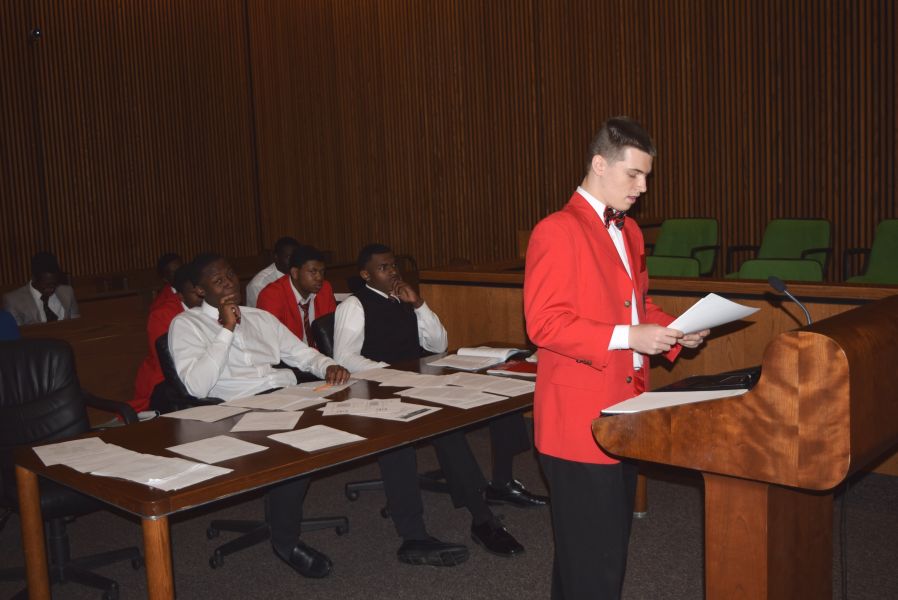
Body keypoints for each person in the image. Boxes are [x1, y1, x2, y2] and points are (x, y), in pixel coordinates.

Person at [169, 253, 468, 577]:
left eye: (230, 275)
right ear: (200, 291)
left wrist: (328, 365)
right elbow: (197, 386)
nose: (229, 284)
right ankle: (286, 542)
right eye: (218, 280)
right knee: (297, 449)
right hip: (238, 410)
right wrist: (226, 330)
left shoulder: (259, 318)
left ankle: (414, 538)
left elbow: (301, 353)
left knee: (391, 426)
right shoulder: (186, 325)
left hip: (289, 397)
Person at [523, 117, 709, 600]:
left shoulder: (630, 232)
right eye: (634, 174)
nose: (643, 187)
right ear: (599, 164)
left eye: (646, 176)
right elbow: (544, 324)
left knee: (593, 557)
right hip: (577, 423)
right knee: (595, 564)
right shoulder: (556, 231)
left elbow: (637, 305)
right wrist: (629, 336)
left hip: (624, 413)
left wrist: (677, 330)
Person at [334, 243, 534, 558]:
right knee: (403, 443)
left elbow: (439, 344)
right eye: (384, 267)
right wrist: (393, 373)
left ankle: (490, 504)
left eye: (394, 265)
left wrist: (419, 305)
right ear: (365, 275)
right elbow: (345, 357)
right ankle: (416, 535)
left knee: (465, 417)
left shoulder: (403, 299)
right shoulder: (354, 305)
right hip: (377, 391)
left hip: (416, 384)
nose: (393, 271)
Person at [130, 260, 203, 413]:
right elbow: (167, 361)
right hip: (165, 377)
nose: (202, 296)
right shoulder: (162, 314)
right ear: (181, 296)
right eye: (195, 293)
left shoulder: (210, 304)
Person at [256, 245, 336, 347]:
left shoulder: (325, 289)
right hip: (288, 354)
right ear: (295, 273)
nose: (319, 277)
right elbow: (272, 342)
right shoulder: (271, 296)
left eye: (322, 271)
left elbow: (333, 330)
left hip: (322, 353)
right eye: (313, 271)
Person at [2, 251, 80, 326]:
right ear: (34, 278)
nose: (52, 288)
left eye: (55, 284)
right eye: (47, 285)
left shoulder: (67, 292)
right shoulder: (13, 301)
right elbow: (16, 332)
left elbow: (76, 323)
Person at [246, 236, 302, 307]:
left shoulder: (302, 274)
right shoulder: (260, 284)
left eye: (296, 257)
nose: (293, 261)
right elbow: (261, 312)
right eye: (288, 257)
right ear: (276, 257)